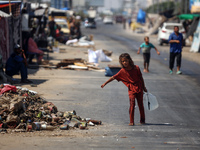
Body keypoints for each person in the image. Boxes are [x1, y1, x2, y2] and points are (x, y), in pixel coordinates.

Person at [101, 53, 147, 126]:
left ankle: (142, 120)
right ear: (121, 62)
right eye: (123, 61)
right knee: (132, 104)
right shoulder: (122, 71)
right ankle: (131, 121)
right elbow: (113, 77)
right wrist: (105, 83)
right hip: (131, 89)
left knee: (140, 104)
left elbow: (141, 78)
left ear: (129, 60)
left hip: (139, 88)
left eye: (126, 61)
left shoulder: (136, 68)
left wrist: (144, 87)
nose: (125, 62)